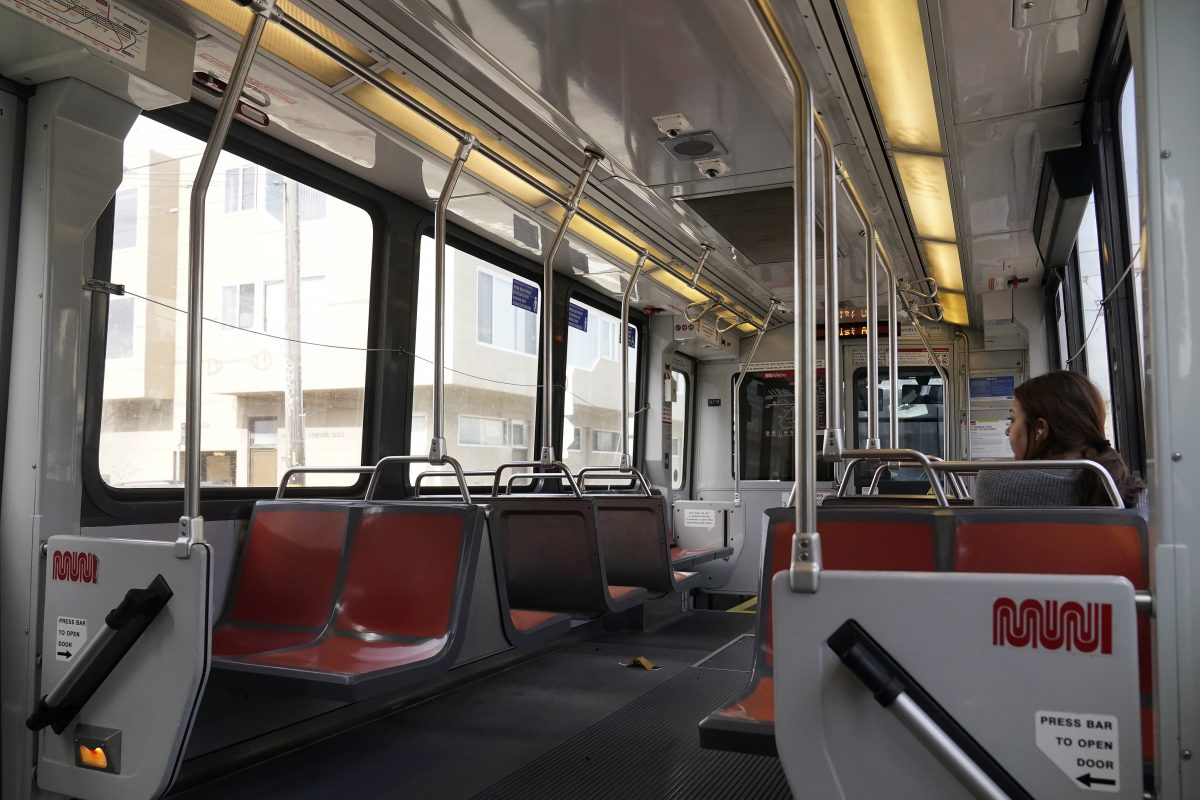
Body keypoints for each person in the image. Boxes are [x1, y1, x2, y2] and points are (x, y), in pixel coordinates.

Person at [974, 371, 1147, 515]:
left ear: (1041, 429)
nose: (1007, 430)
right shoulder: (1133, 494)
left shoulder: (996, 480)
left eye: (1012, 419)